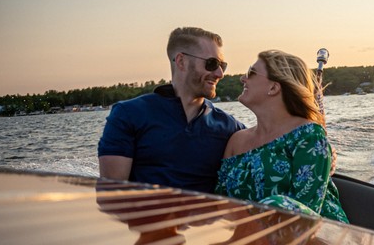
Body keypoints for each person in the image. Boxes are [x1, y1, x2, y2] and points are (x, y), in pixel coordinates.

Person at [98, 27, 244, 193]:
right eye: (212, 64)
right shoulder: (129, 114)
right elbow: (111, 196)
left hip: (206, 217)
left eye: (222, 66)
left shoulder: (229, 127)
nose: (220, 73)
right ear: (181, 61)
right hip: (146, 217)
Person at [214, 50, 349, 223]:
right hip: (245, 240)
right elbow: (220, 203)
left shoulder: (309, 136)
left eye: (251, 73)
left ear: (274, 87)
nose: (242, 78)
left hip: (321, 239)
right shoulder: (236, 141)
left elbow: (306, 213)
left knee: (278, 204)